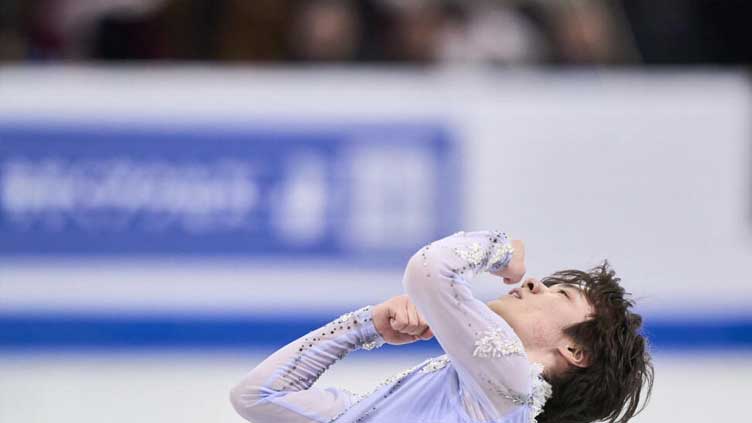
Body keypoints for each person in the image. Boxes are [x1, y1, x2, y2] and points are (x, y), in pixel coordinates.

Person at [230, 230, 653, 423]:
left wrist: (505, 251)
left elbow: (430, 269)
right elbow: (258, 396)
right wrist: (367, 325)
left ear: (577, 352)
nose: (533, 282)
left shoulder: (511, 384)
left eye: (561, 295)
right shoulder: (461, 395)